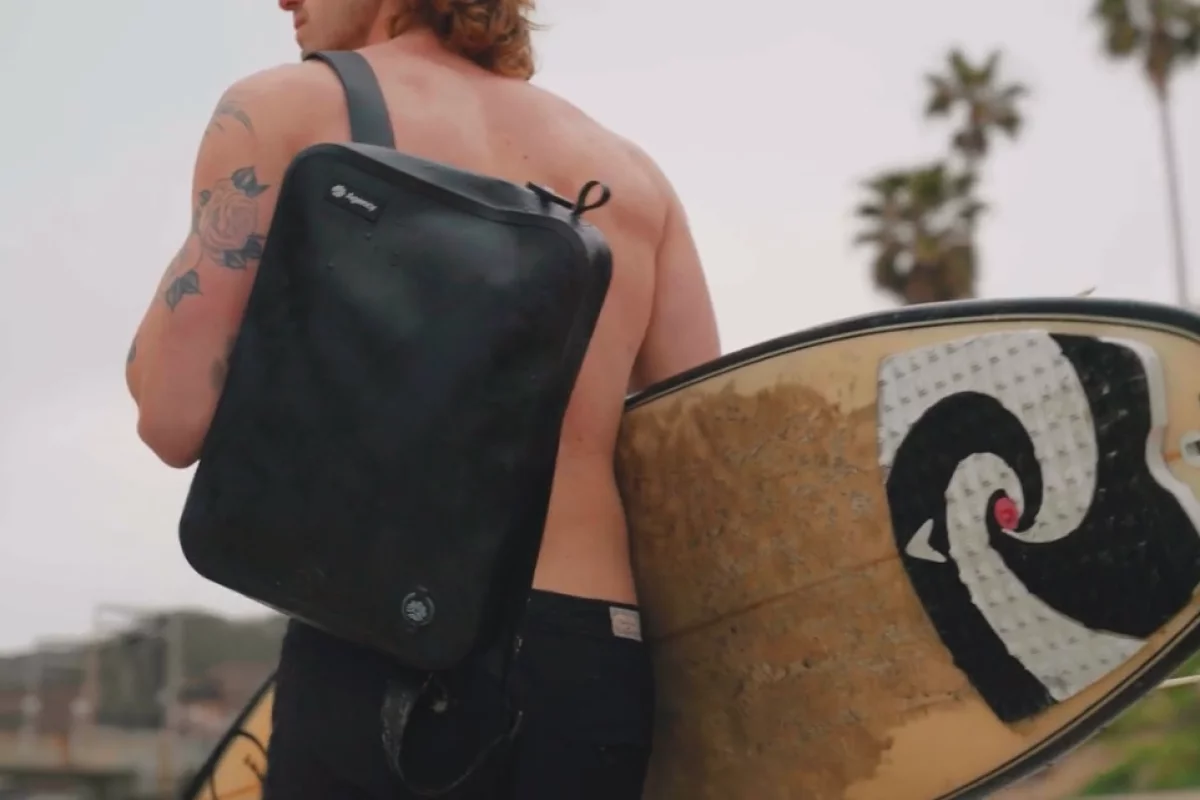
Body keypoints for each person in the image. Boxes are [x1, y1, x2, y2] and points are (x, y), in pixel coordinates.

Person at [126, 0, 720, 797]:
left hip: (386, 641)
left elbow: (172, 417)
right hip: (590, 662)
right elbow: (703, 456)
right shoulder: (634, 177)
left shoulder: (287, 108)